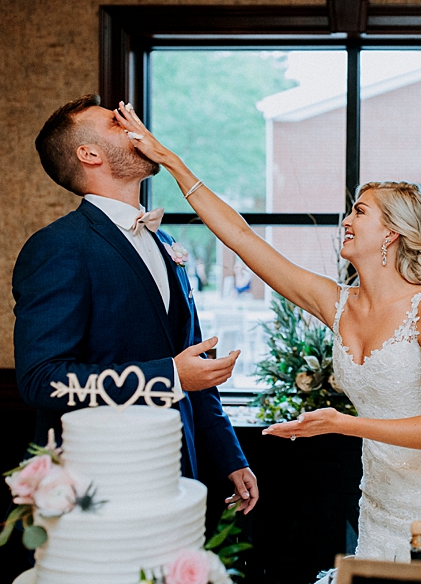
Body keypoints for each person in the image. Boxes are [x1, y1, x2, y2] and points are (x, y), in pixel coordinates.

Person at [113, 100, 421, 565]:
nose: (345, 221)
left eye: (360, 212)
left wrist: (340, 424)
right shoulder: (336, 303)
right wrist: (170, 161)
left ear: (391, 234)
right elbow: (243, 239)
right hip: (380, 503)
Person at [13, 96, 258, 519]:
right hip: (103, 481)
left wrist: (228, 455)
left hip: (179, 470)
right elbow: (42, 379)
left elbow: (190, 365)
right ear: (89, 154)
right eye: (116, 123)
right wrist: (167, 376)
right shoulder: (59, 247)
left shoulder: (165, 245)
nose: (136, 129)